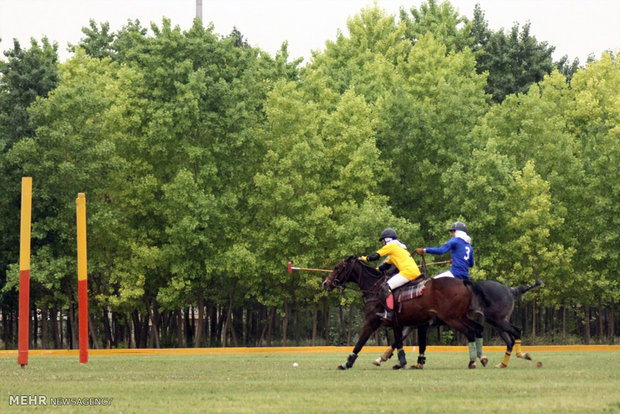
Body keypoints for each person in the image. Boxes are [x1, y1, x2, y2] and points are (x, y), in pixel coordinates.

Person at [359, 228, 421, 322]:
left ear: (386, 239)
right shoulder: (397, 249)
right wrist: (374, 271)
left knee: (385, 287)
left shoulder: (391, 246)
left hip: (407, 273)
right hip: (415, 272)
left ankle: (389, 313)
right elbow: (385, 266)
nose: (383, 243)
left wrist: (363, 259)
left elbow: (376, 255)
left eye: (383, 241)